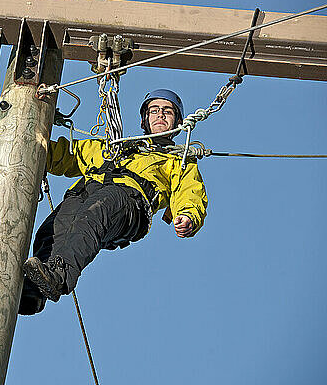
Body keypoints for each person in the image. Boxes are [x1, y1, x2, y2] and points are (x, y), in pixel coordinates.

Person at [20, 89, 208, 315]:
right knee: (51, 230)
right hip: (86, 193)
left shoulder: (178, 160)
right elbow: (66, 154)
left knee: (95, 213)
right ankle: (34, 292)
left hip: (130, 204)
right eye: (154, 110)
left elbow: (190, 191)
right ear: (144, 119)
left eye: (167, 111)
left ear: (178, 120)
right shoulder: (116, 148)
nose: (160, 115)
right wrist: (18, 148)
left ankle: (59, 275)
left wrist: (188, 215)